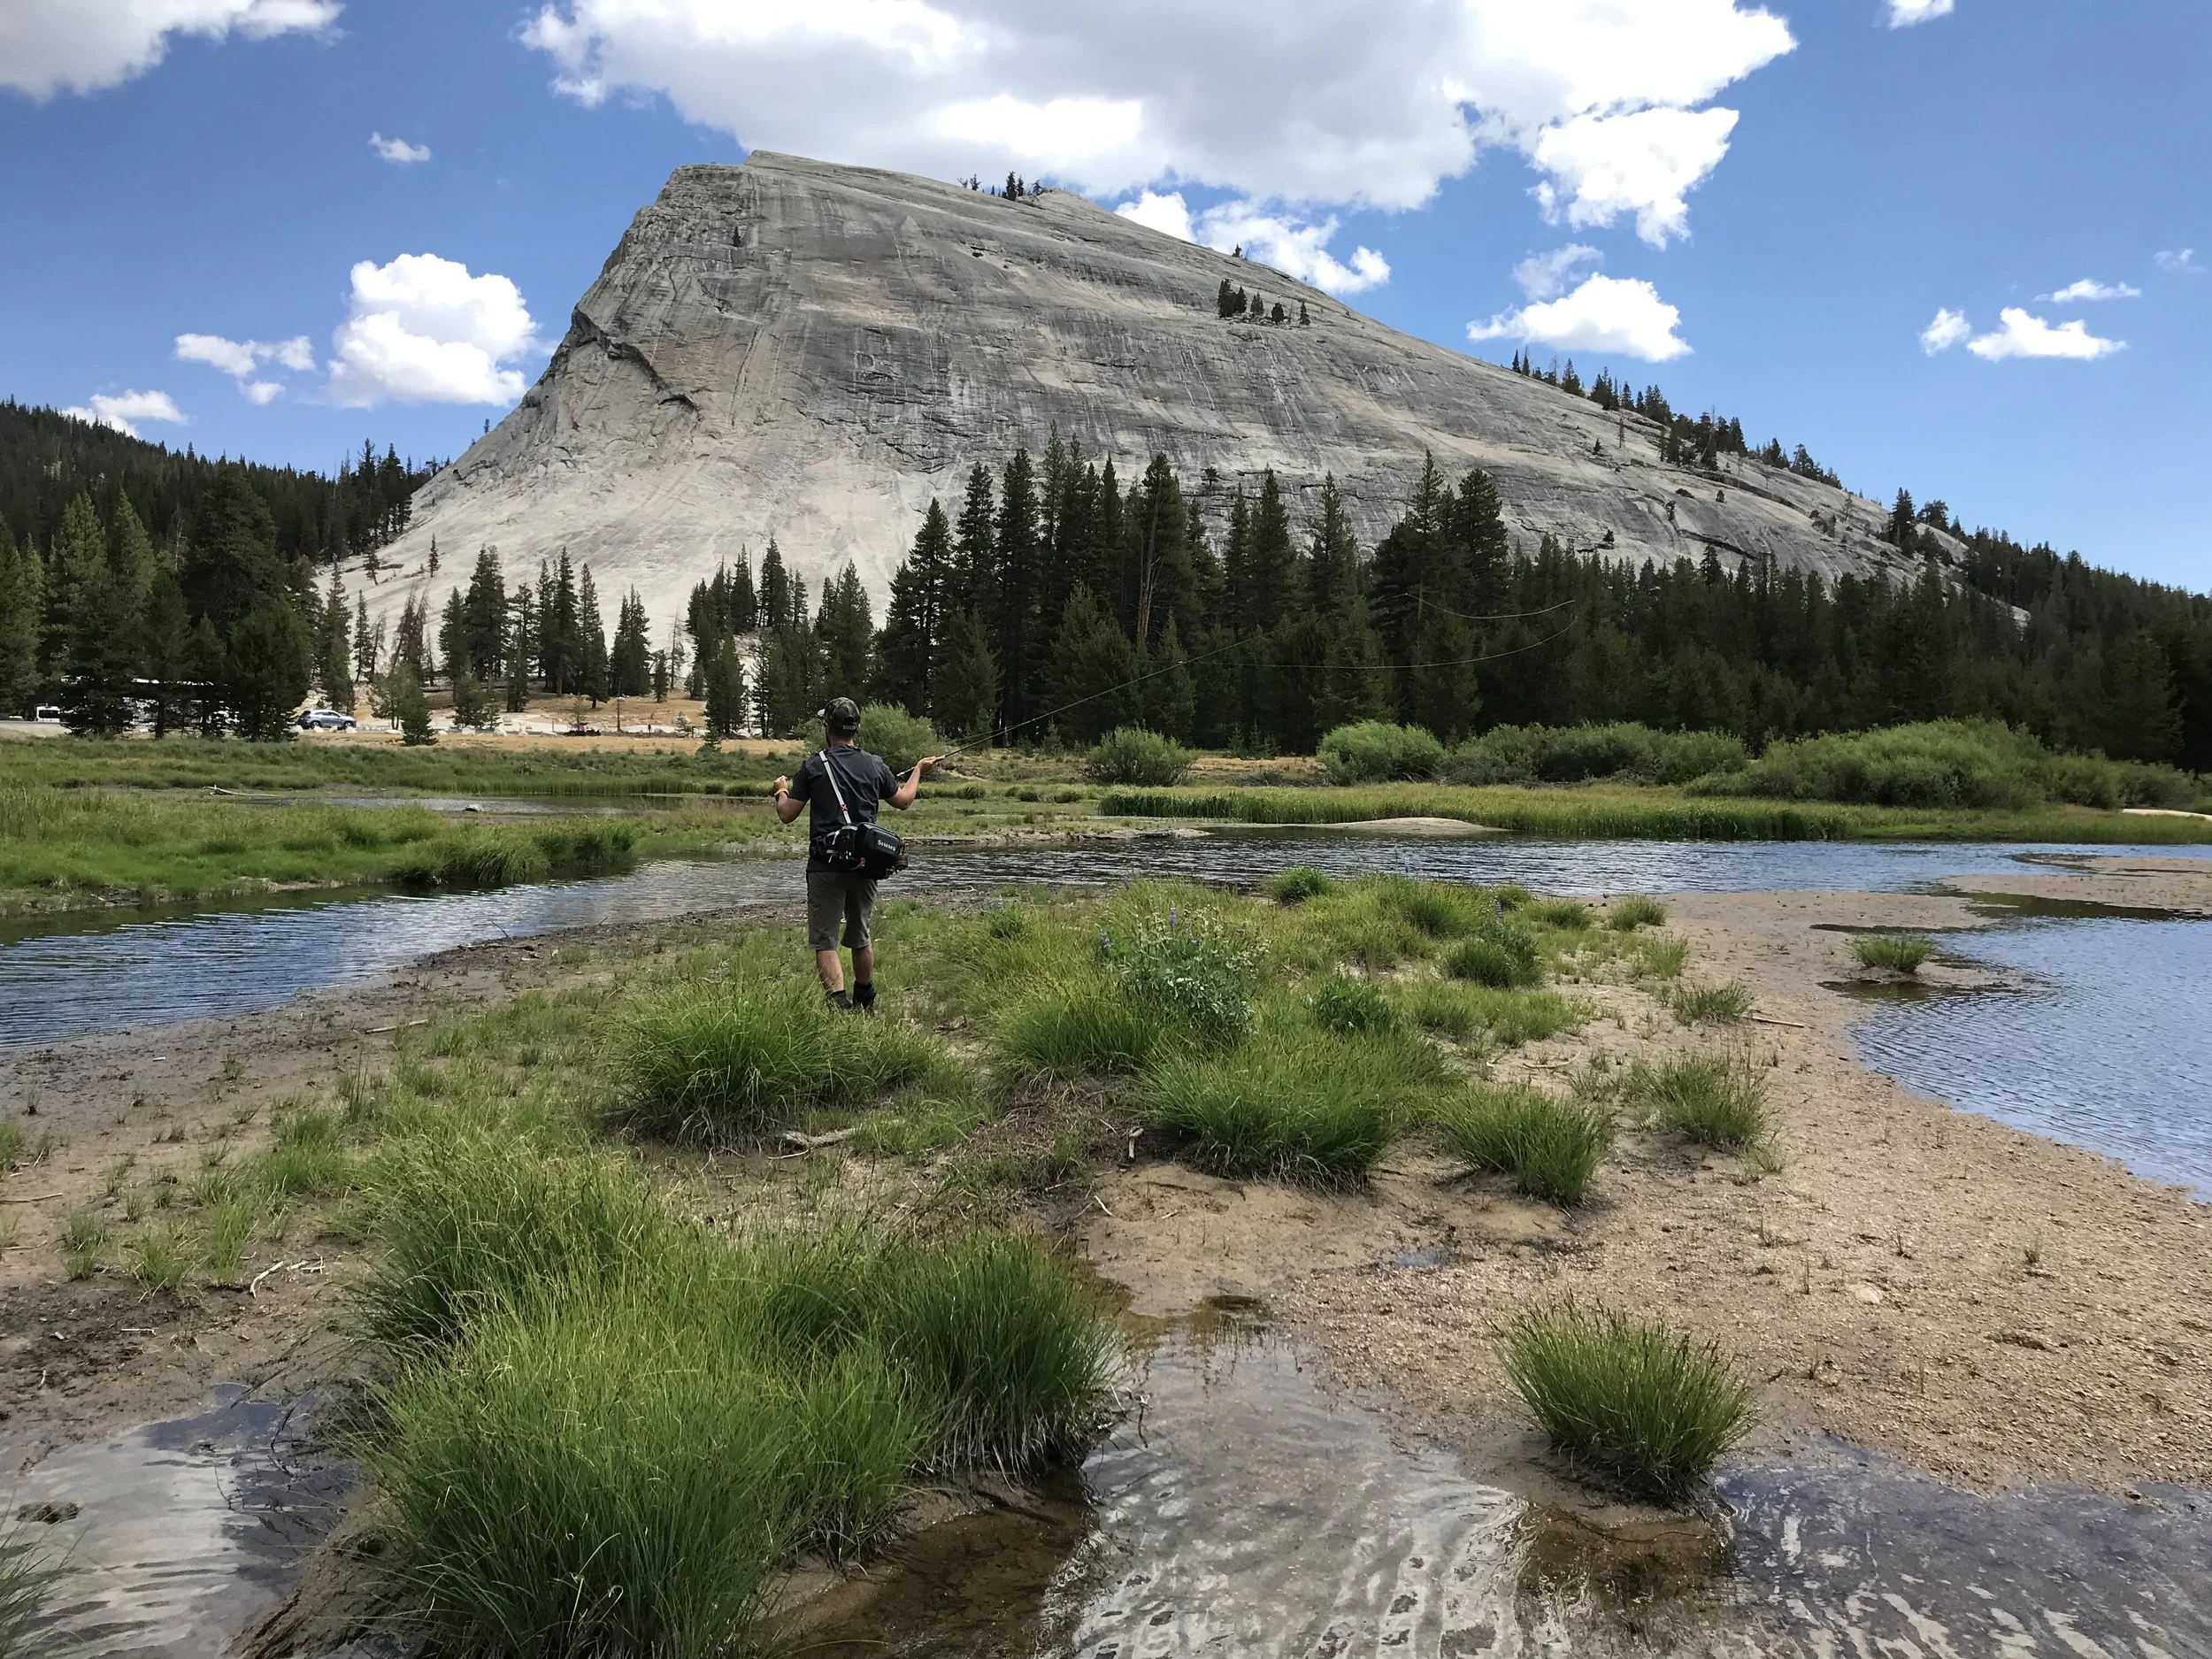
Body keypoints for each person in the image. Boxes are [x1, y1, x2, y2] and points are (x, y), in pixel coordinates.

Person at [772, 698, 940, 1011]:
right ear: (855, 728)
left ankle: (838, 1005)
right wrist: (919, 770)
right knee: (860, 935)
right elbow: (903, 800)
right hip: (866, 864)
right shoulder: (875, 764)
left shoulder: (813, 765)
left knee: (825, 939)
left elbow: (786, 814)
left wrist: (781, 789)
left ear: (828, 728)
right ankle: (865, 1000)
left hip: (825, 865)